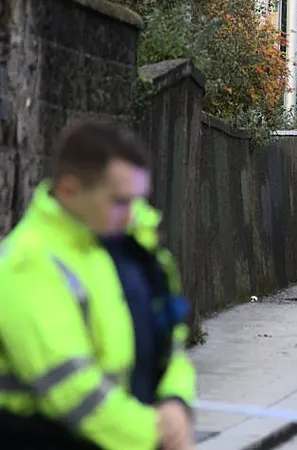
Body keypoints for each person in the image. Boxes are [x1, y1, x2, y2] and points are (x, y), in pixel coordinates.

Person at [0, 120, 196, 449]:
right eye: (120, 201)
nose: (134, 214)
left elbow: (170, 342)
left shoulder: (131, 249)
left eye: (138, 199)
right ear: (69, 191)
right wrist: (157, 435)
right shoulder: (28, 263)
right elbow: (73, 391)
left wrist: (177, 402)